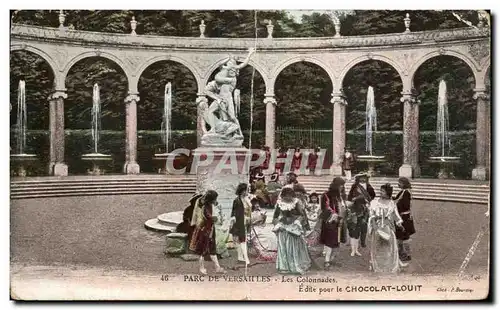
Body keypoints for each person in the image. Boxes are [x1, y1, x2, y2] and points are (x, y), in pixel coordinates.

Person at [368, 183, 407, 273]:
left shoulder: (391, 203)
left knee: (389, 246)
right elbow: (372, 215)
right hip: (377, 227)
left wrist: (400, 224)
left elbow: (395, 215)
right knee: (377, 246)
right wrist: (374, 225)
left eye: (383, 191)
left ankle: (390, 265)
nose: (380, 192)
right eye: (380, 191)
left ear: (387, 193)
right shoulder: (374, 202)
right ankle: (376, 265)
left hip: (388, 227)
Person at [272, 187, 311, 274]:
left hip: (293, 228)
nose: (288, 198)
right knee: (284, 247)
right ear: (283, 196)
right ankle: (284, 267)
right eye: (286, 196)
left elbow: (302, 215)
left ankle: (294, 267)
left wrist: (297, 222)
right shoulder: (279, 203)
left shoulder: (296, 202)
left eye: (289, 196)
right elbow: (275, 217)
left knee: (293, 248)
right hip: (283, 228)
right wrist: (278, 224)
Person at [190, 190, 226, 275]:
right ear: (211, 199)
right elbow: (211, 218)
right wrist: (216, 217)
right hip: (205, 232)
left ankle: (217, 267)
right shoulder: (205, 207)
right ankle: (201, 268)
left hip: (210, 230)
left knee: (212, 249)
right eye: (215, 199)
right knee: (203, 251)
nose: (216, 200)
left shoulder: (208, 205)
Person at [319, 177, 348, 269]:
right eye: (340, 185)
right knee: (329, 241)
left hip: (340, 222)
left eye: (343, 185)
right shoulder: (326, 195)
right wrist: (335, 216)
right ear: (335, 185)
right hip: (330, 222)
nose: (342, 187)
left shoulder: (341, 196)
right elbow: (325, 208)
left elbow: (343, 206)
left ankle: (331, 259)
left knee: (337, 241)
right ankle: (326, 260)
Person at [347, 173, 376, 249]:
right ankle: (355, 241)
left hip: (365, 208)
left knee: (364, 225)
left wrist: (368, 201)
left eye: (364, 178)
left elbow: (373, 195)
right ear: (358, 179)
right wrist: (354, 199)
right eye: (361, 178)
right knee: (355, 225)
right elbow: (350, 196)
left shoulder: (369, 186)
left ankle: (363, 242)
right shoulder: (354, 186)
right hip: (356, 207)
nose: (363, 179)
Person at [394, 177, 416, 262]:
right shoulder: (404, 192)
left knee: (404, 237)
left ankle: (406, 254)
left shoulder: (406, 193)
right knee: (401, 236)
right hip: (404, 217)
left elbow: (404, 205)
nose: (398, 184)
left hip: (404, 217)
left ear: (403, 184)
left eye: (399, 183)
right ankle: (402, 253)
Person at [230, 183, 251, 266]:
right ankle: (246, 259)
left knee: (241, 240)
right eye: (247, 189)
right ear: (243, 191)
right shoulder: (237, 200)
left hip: (245, 222)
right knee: (242, 241)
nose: (248, 191)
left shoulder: (246, 199)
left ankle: (240, 258)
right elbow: (234, 212)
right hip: (240, 222)